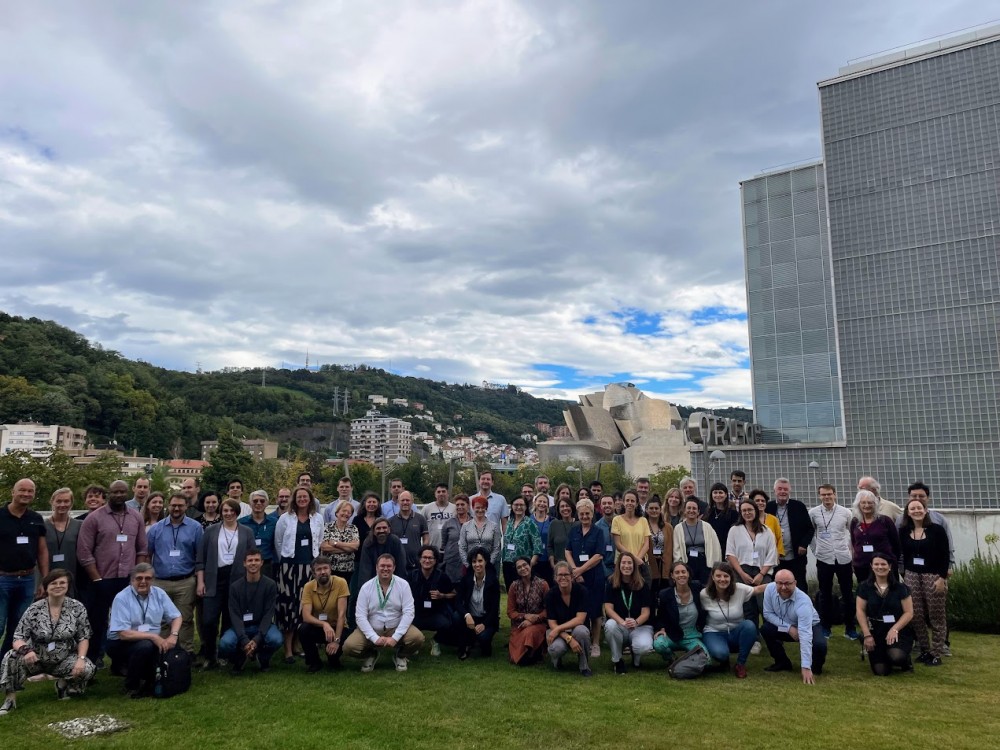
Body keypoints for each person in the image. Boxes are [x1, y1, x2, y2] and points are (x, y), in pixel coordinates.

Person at [0, 569, 94, 715]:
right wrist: (26, 650)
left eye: (62, 583)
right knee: (10, 657)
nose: (58, 586)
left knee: (87, 668)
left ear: (68, 585)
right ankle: (10, 699)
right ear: (46, 587)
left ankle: (61, 686)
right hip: (35, 658)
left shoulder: (77, 607)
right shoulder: (34, 609)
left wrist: (81, 659)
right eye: (53, 583)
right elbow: (18, 637)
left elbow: (83, 637)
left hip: (63, 658)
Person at [77, 478, 146, 667]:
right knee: (97, 622)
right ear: (109, 494)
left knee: (127, 622)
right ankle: (92, 661)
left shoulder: (136, 517)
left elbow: (142, 548)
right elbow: (84, 552)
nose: (119, 495)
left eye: (122, 492)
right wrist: (96, 578)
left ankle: (121, 663)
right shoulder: (94, 518)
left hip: (127, 580)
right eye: (115, 492)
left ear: (127, 493)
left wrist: (137, 577)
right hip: (101, 579)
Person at [106, 563, 182, 698]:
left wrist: (173, 635)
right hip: (121, 643)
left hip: (149, 640)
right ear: (131, 580)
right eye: (139, 578)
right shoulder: (121, 598)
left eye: (147, 578)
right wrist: (153, 637)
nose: (143, 582)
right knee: (145, 646)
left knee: (172, 645)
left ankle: (162, 679)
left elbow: (176, 616)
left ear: (153, 580)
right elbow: (123, 634)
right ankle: (132, 686)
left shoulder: (159, 593)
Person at [196, 499, 255, 669]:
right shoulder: (211, 530)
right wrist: (200, 582)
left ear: (237, 512)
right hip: (214, 579)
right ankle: (209, 655)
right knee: (209, 620)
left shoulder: (247, 532)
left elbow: (252, 558)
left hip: (237, 579)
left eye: (232, 511)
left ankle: (224, 654)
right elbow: (200, 559)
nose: (228, 514)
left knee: (230, 620)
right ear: (221, 512)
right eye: (225, 511)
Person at [343, 554, 424, 672]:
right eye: (382, 566)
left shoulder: (403, 585)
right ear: (376, 567)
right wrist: (374, 637)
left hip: (395, 626)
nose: (385, 569)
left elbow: (409, 612)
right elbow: (360, 616)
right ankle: (371, 655)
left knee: (418, 638)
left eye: (389, 566)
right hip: (373, 627)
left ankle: (400, 655)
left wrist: (395, 637)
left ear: (394, 568)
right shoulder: (366, 587)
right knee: (349, 647)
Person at [146, 493, 203, 655]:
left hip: (185, 581)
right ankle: (164, 652)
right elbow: (147, 554)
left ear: (186, 506)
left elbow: (200, 557)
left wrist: (199, 581)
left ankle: (185, 653)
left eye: (180, 505)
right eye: (173, 505)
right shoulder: (156, 529)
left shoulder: (195, 528)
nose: (176, 508)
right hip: (160, 582)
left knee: (185, 619)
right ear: (168, 506)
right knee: (163, 620)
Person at [900, 487, 949, 666]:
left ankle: (936, 652)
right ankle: (924, 649)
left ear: (925, 510)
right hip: (912, 575)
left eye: (919, 508)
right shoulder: (904, 531)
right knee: (916, 615)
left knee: (936, 615)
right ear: (908, 512)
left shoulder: (937, 530)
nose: (916, 511)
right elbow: (902, 554)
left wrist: (942, 578)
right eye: (912, 508)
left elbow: (944, 555)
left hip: (933, 575)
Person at [274, 487, 324, 663]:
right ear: (294, 500)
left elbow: (320, 540)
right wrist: (286, 561)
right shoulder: (285, 518)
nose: (302, 499)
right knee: (289, 608)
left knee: (304, 607)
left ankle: (297, 645)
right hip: (289, 568)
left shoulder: (318, 518)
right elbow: (278, 542)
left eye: (305, 497)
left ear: (310, 499)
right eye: (299, 497)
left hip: (309, 569)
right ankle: (288, 649)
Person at [219, 549, 282, 674]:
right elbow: (235, 616)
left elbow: (268, 614)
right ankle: (240, 657)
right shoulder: (235, 587)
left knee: (276, 639)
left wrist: (257, 639)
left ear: (262, 563)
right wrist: (244, 640)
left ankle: (262, 657)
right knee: (225, 643)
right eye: (250, 560)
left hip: (261, 625)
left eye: (257, 560)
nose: (253, 563)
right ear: (244, 563)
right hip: (241, 626)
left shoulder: (270, 585)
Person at [761, 570, 827, 684]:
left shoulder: (803, 601)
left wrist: (805, 666)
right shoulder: (769, 589)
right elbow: (767, 614)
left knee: (820, 645)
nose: (783, 587)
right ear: (775, 582)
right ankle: (782, 662)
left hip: (810, 626)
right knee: (766, 629)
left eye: (787, 583)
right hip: (785, 626)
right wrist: (789, 628)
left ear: (795, 583)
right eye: (780, 583)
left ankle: (814, 668)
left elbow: (805, 634)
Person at [809, 484, 857, 639]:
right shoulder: (813, 513)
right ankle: (825, 627)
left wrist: (850, 550)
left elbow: (852, 533)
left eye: (829, 494)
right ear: (819, 496)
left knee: (847, 594)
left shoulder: (845, 512)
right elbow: (811, 533)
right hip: (824, 558)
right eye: (823, 494)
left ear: (835, 494)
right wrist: (816, 550)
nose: (826, 497)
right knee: (824, 594)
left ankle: (850, 628)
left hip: (843, 558)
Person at [856, 552, 915, 676]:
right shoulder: (864, 587)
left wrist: (895, 629)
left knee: (896, 656)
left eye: (883, 564)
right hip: (875, 631)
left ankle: (905, 660)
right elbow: (860, 611)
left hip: (898, 630)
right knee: (881, 671)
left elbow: (909, 613)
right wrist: (867, 635)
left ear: (890, 566)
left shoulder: (901, 588)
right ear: (871, 566)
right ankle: (883, 656)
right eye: (876, 564)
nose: (880, 567)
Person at [700, 562, 760, 678]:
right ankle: (723, 658)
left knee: (749, 626)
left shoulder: (739, 589)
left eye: (726, 576)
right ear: (712, 577)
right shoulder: (704, 594)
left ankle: (740, 664)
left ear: (731, 577)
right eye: (718, 576)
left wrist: (781, 582)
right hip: (714, 632)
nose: (722, 579)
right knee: (721, 654)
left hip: (736, 631)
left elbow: (758, 589)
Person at [725, 499, 778, 625]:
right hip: (741, 571)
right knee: (747, 607)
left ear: (756, 511)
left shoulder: (766, 531)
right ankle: (753, 634)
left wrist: (761, 574)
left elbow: (772, 554)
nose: (747, 513)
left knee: (764, 605)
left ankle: (770, 632)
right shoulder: (734, 530)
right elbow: (730, 554)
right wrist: (741, 574)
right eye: (744, 510)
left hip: (762, 572)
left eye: (750, 510)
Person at [565, 498, 606, 658]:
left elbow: (599, 555)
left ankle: (595, 644)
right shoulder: (574, 531)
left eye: (587, 513)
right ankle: (584, 641)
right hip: (577, 578)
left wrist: (580, 570)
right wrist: (575, 570)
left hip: (594, 577)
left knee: (595, 611)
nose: (584, 516)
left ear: (592, 513)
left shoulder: (598, 532)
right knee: (581, 609)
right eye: (581, 514)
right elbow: (568, 551)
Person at [603, 552, 653, 674]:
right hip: (621, 626)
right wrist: (622, 622)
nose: (626, 566)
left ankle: (636, 657)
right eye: (623, 563)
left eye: (630, 563)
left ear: (634, 566)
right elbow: (608, 608)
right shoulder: (611, 583)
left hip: (640, 626)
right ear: (618, 565)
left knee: (644, 646)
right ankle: (617, 660)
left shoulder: (642, 585)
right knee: (610, 625)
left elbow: (646, 612)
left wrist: (636, 622)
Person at [298, 556, 350, 672]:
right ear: (313, 573)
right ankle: (314, 662)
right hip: (319, 627)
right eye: (319, 569)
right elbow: (306, 616)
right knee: (303, 629)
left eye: (325, 568)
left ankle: (334, 658)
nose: (323, 572)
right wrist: (324, 624)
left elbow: (342, 614)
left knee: (333, 659)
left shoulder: (341, 583)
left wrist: (336, 641)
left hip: (337, 627)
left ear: (330, 569)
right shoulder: (308, 587)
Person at [447, 548, 500, 660]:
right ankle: (464, 645)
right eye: (474, 561)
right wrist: (466, 615)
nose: (477, 564)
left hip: (486, 619)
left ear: (486, 562)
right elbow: (458, 602)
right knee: (456, 616)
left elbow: (494, 609)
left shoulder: (493, 581)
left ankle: (479, 641)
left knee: (484, 641)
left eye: (480, 561)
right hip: (470, 617)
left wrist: (484, 624)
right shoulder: (466, 579)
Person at [545, 562, 592, 677]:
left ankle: (584, 666)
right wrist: (569, 639)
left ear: (572, 576)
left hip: (576, 629)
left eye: (566, 574)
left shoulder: (582, 591)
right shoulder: (550, 595)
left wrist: (558, 629)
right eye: (560, 575)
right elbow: (552, 623)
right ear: (555, 578)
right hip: (558, 632)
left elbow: (580, 619)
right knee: (556, 649)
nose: (563, 577)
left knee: (582, 631)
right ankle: (557, 661)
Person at [766, 478, 813, 593]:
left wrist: (803, 544)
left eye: (785, 489)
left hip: (796, 556)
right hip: (775, 557)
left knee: (799, 585)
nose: (783, 491)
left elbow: (810, 529)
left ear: (789, 491)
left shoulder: (799, 506)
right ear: (774, 491)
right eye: (780, 489)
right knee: (776, 587)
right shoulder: (768, 507)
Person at [407, 545, 456, 657]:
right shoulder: (412, 576)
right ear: (420, 559)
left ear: (435, 560)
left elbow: (454, 594)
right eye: (424, 557)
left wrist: (442, 595)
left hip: (435, 614)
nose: (427, 560)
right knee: (403, 622)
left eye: (430, 558)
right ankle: (414, 643)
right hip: (416, 614)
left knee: (448, 624)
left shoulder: (442, 576)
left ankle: (436, 640)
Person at [653, 562, 707, 660]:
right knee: (659, 644)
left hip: (692, 635)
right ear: (672, 576)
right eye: (677, 572)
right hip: (672, 634)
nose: (681, 575)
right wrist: (662, 629)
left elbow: (711, 592)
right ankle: (672, 659)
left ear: (688, 574)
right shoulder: (665, 594)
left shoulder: (697, 588)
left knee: (706, 661)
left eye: (683, 572)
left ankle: (686, 659)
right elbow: (661, 616)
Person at [850, 490, 901, 584]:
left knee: (888, 590)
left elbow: (896, 543)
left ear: (875, 504)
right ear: (858, 504)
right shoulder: (855, 522)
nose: (867, 505)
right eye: (863, 502)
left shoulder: (885, 521)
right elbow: (854, 542)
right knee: (866, 591)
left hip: (884, 565)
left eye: (870, 502)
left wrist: (892, 560)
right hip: (862, 565)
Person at [506, 556, 548, 665]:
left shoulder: (542, 584)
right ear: (516, 571)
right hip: (519, 625)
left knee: (530, 632)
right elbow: (510, 612)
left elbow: (548, 609)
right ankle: (531, 654)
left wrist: (533, 619)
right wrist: (525, 616)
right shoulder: (514, 586)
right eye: (519, 567)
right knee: (514, 658)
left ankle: (534, 652)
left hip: (538, 623)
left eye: (525, 565)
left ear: (530, 565)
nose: (523, 568)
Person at [673, 499, 722, 587]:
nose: (691, 510)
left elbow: (715, 546)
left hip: (704, 562)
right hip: (687, 563)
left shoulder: (707, 526)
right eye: (689, 508)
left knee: (705, 588)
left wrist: (716, 565)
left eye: (694, 508)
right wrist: (680, 565)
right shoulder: (678, 528)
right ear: (684, 511)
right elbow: (676, 549)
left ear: (698, 511)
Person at [44, 488, 82, 597]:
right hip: (48, 577)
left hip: (71, 578)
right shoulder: (42, 526)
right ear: (52, 502)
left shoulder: (79, 525)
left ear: (71, 503)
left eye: (66, 501)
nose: (62, 504)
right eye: (59, 501)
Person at [611, 489, 652, 585]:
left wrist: (637, 560)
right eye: (627, 500)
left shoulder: (643, 521)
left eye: (632, 501)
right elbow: (618, 544)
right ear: (623, 502)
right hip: (623, 565)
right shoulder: (617, 520)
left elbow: (646, 544)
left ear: (637, 503)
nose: (630, 503)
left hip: (641, 563)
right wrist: (632, 560)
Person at [501, 496, 542, 588]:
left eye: (521, 505)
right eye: (516, 505)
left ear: (526, 507)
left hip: (523, 565)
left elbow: (537, 545)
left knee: (522, 590)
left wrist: (531, 564)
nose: (518, 507)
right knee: (510, 590)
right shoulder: (509, 523)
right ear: (512, 506)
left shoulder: (530, 523)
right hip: (508, 563)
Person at [319, 499, 360, 585]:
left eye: (349, 512)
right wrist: (347, 548)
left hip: (347, 569)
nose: (346, 514)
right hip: (329, 569)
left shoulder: (353, 528)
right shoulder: (327, 527)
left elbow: (355, 547)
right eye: (344, 511)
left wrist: (336, 543)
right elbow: (324, 547)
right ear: (337, 512)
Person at [239, 490, 278, 579]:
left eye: (262, 501)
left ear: (267, 503)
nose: (258, 503)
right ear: (250, 503)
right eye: (255, 501)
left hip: (267, 564)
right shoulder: (241, 523)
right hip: (247, 564)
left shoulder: (274, 522)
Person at [357, 517, 407, 585]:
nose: (381, 530)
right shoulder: (368, 543)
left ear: (389, 529)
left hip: (393, 580)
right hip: (373, 580)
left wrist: (399, 584)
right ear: (373, 531)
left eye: (384, 528)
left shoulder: (395, 541)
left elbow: (401, 565)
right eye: (378, 528)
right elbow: (365, 569)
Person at [388, 491, 429, 573]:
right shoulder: (391, 521)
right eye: (402, 500)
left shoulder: (420, 519)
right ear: (398, 502)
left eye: (407, 500)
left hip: (416, 563)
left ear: (412, 502)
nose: (405, 502)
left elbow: (426, 538)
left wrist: (423, 552)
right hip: (397, 563)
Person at [458, 496, 501, 570]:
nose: (480, 510)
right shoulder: (465, 526)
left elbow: (496, 547)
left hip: (489, 566)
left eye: (483, 507)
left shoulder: (494, 526)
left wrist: (488, 564)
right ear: (473, 508)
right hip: (470, 565)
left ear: (486, 508)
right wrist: (468, 565)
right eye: (477, 507)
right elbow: (462, 547)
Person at [645, 497, 673, 597]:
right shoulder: (642, 526)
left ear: (660, 509)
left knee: (664, 593)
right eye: (651, 508)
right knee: (650, 593)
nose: (654, 510)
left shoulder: (668, 527)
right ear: (646, 510)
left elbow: (671, 546)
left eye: (656, 508)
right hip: (649, 563)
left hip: (664, 563)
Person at [441, 495, 472, 583]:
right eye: (457, 505)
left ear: (468, 505)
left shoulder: (474, 522)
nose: (459, 507)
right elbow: (444, 543)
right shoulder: (448, 523)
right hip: (451, 562)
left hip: (469, 561)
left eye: (462, 504)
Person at [703, 482, 739, 553]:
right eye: (715, 493)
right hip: (711, 548)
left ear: (726, 495)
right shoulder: (708, 513)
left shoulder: (733, 514)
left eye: (720, 492)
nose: (718, 495)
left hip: (727, 549)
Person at [546, 497, 576, 581]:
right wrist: (553, 564)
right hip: (559, 568)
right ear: (558, 510)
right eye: (562, 506)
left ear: (572, 507)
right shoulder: (554, 524)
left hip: (576, 568)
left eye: (567, 506)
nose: (565, 508)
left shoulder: (579, 524)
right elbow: (549, 546)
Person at [750, 489, 785, 558]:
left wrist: (778, 555)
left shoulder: (773, 519)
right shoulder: (748, 519)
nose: (760, 503)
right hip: (753, 557)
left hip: (771, 556)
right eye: (757, 500)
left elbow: (779, 538)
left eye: (763, 501)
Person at [422, 483, 455, 553]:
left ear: (448, 494)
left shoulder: (454, 508)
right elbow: (421, 526)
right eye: (439, 492)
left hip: (450, 550)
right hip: (432, 549)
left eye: (443, 491)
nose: (441, 494)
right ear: (435, 494)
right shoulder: (427, 508)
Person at [530, 494, 553, 584]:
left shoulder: (552, 521)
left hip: (547, 560)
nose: (542, 504)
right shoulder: (528, 520)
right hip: (532, 560)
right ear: (535, 503)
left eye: (544, 502)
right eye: (540, 501)